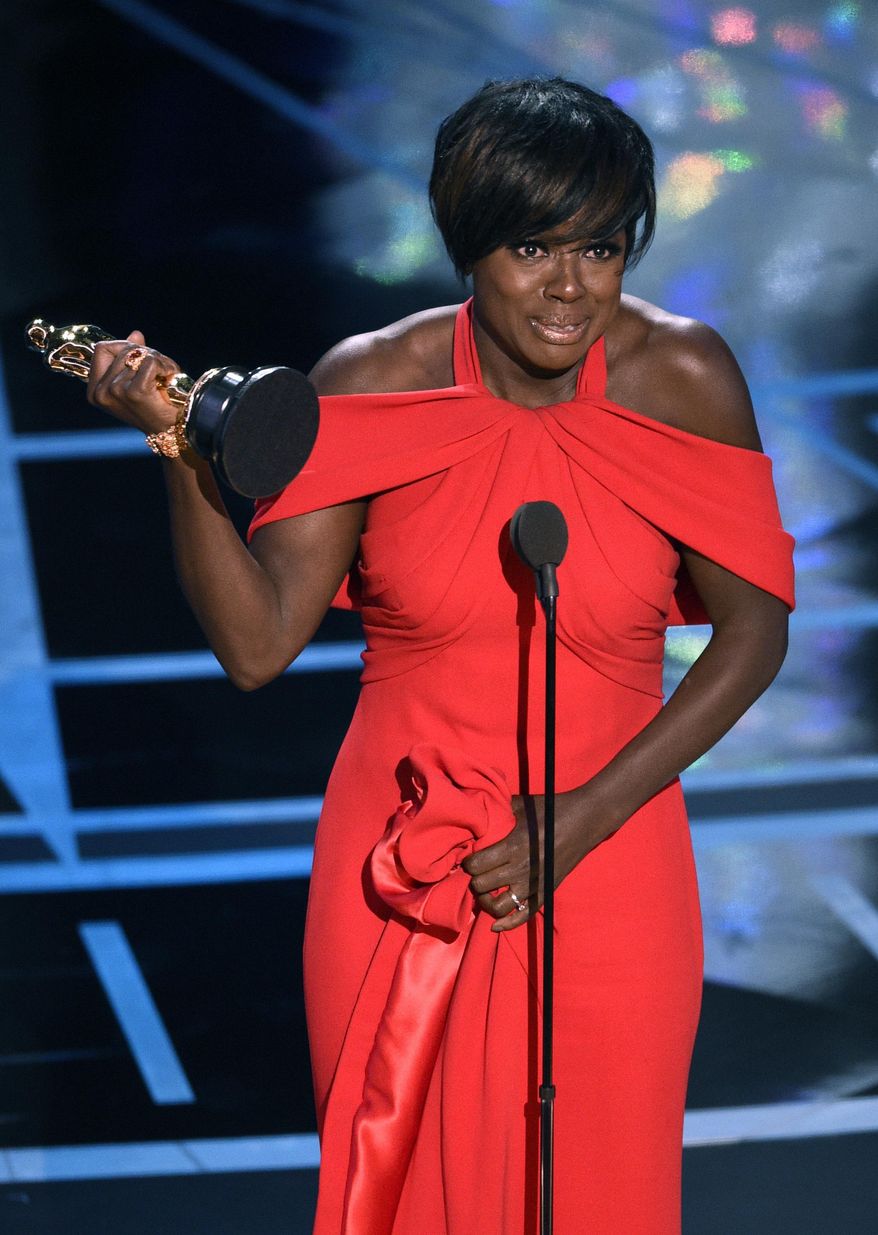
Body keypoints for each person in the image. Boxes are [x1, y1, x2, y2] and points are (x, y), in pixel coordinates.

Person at [86, 78, 794, 1234]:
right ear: (469, 246)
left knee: (601, 1193)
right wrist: (176, 446)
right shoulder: (368, 383)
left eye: (599, 248)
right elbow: (257, 646)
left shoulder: (682, 377)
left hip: (608, 851)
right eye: (531, 248)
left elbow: (754, 627)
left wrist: (581, 814)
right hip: (398, 870)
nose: (569, 287)